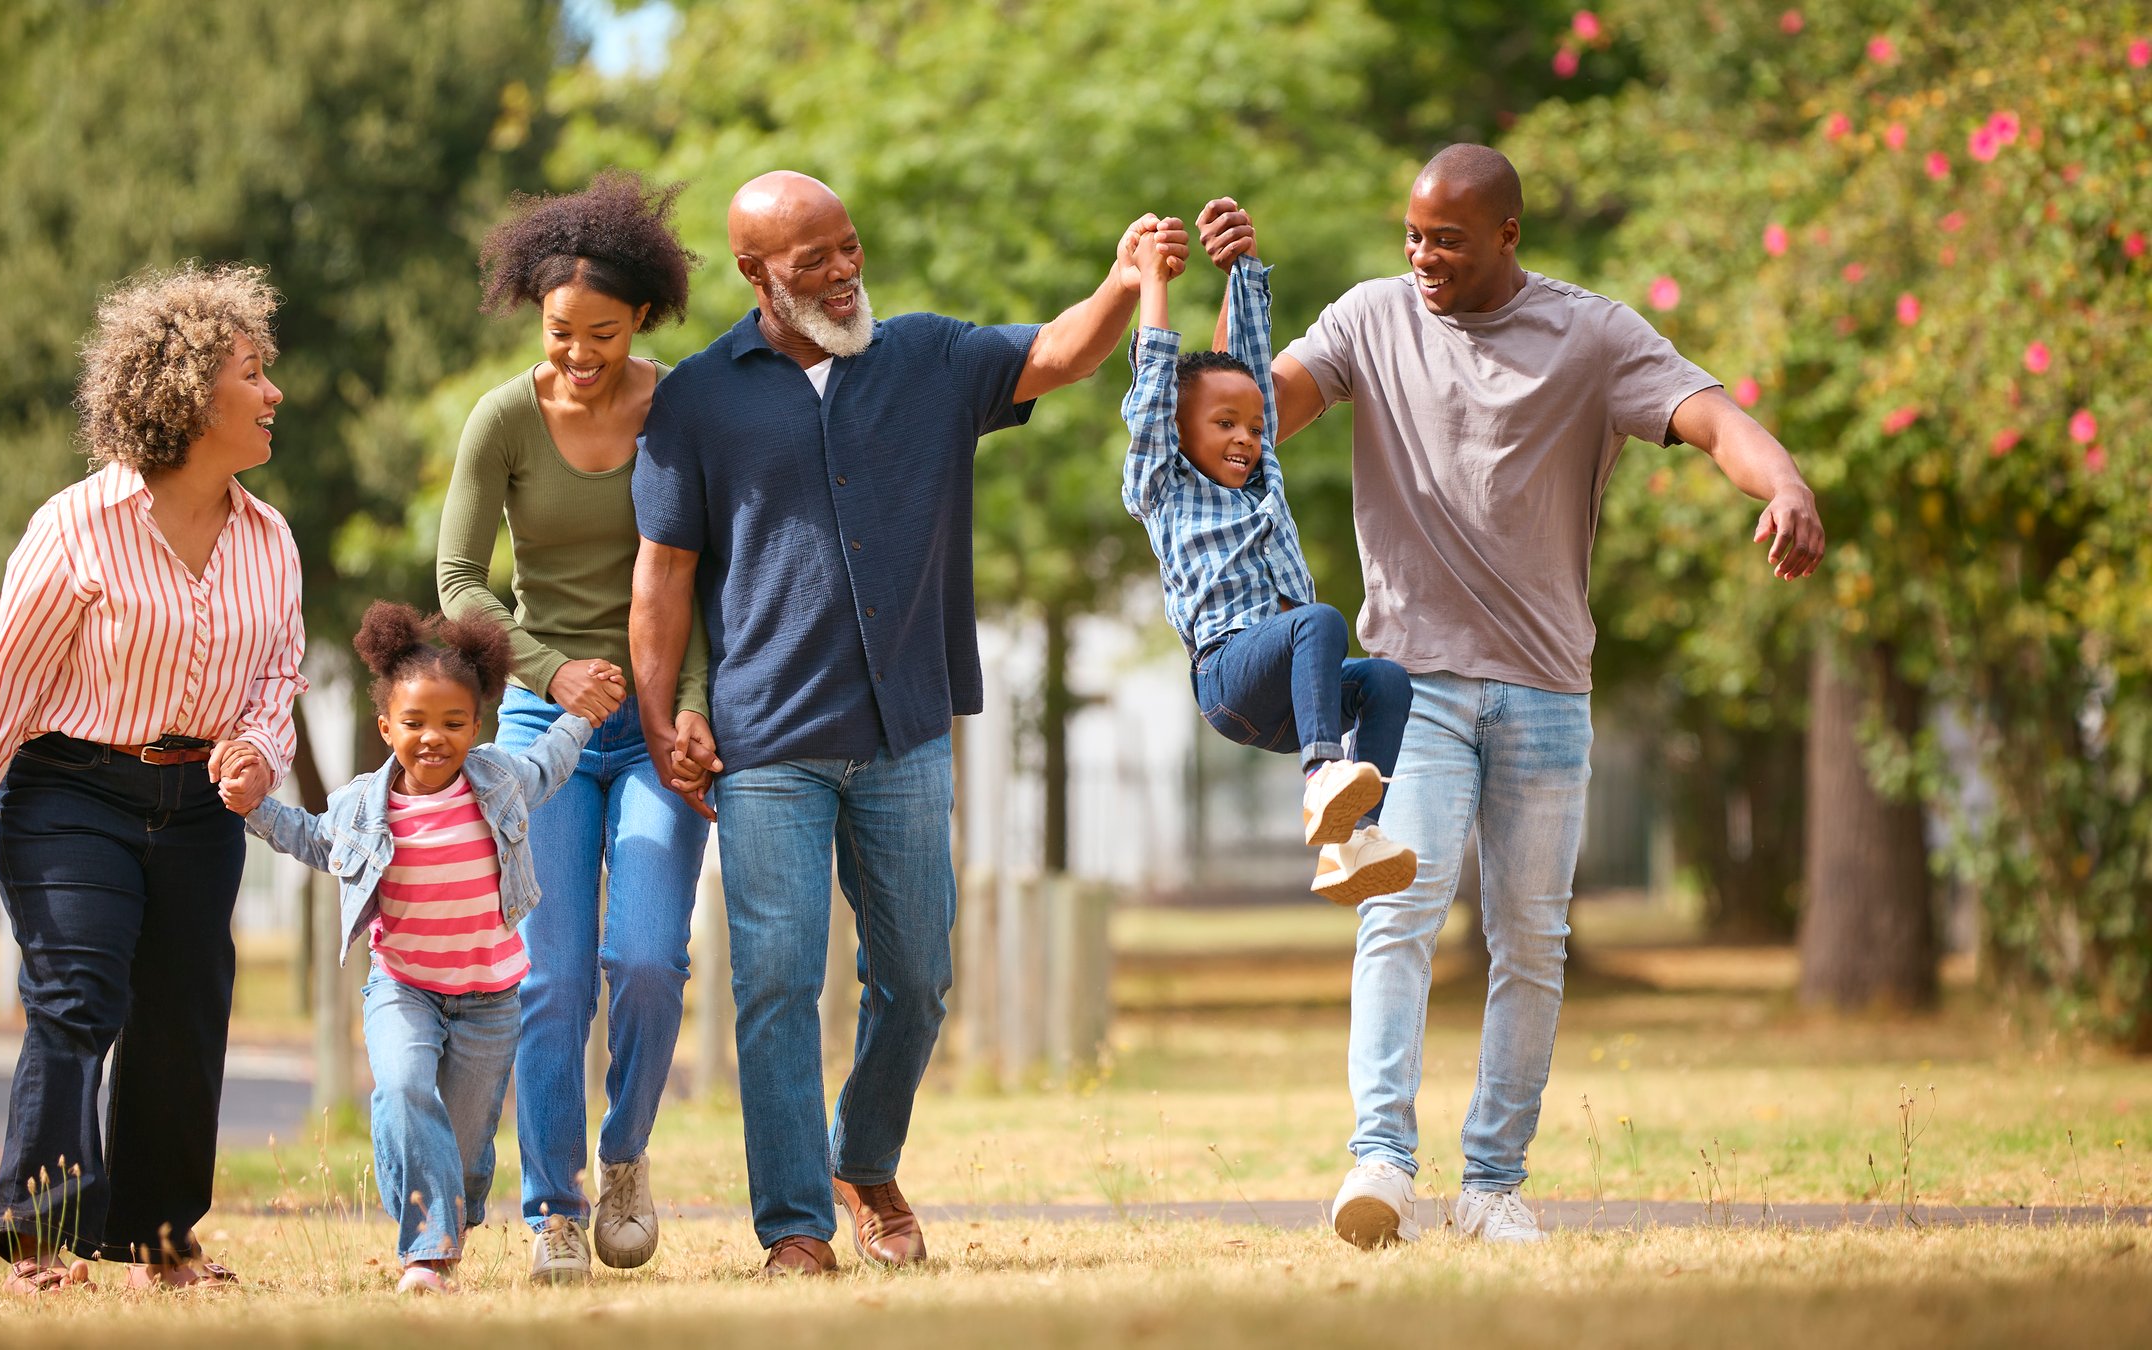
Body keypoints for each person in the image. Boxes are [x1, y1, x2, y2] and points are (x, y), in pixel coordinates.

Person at [1197, 147, 1826, 1249]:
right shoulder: (1370, 319)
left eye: (1446, 239)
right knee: (1397, 907)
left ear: (1507, 237)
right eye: (1412, 235)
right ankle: (1381, 1166)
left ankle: (1492, 1185)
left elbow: (1714, 418)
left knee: (1531, 942)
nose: (1422, 256)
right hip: (1416, 682)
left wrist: (1784, 484)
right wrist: (1223, 293)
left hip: (1545, 690)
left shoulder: (1591, 335)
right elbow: (1238, 420)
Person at [629, 171, 1187, 1275]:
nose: (844, 272)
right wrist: (660, 721)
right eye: (814, 261)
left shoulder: (927, 356)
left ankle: (863, 1154)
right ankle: (796, 1227)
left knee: (919, 976)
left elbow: (1061, 356)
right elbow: (663, 578)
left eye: (850, 248)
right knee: (778, 983)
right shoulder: (697, 399)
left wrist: (1124, 282)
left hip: (906, 733)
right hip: (767, 745)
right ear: (755, 276)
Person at [0, 263, 306, 1293]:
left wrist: (258, 750)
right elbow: (6, 681)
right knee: (77, 996)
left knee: (184, 1012)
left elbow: (278, 679)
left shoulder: (271, 541)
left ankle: (158, 1241)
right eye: (254, 373)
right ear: (186, 392)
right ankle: (42, 1241)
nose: (274, 393)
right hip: (73, 792)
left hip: (198, 812)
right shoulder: (75, 527)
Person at [437, 170, 715, 1284]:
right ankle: (551, 1203)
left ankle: (626, 1159)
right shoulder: (505, 417)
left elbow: (709, 576)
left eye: (602, 334)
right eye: (560, 334)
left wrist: (686, 703)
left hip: (656, 720)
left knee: (645, 956)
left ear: (642, 316)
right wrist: (552, 670)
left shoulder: (685, 408)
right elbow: (460, 577)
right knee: (549, 978)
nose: (578, 356)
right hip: (535, 718)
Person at [235, 602, 594, 1296]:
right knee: (402, 1092)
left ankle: (443, 1238)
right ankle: (425, 1256)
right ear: (386, 727)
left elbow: (551, 764)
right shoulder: (362, 806)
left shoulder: (498, 780)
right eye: (416, 723)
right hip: (403, 987)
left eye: (454, 723)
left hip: (490, 998)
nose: (435, 738)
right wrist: (256, 805)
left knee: (459, 1148)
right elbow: (312, 838)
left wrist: (585, 715)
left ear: (478, 726)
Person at [1119, 210, 1415, 906]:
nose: (1246, 440)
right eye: (1224, 427)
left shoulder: (1264, 477)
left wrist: (1242, 273)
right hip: (1231, 677)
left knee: (1388, 681)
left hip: (1292, 695)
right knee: (1318, 619)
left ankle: (1355, 839)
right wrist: (1152, 283)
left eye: (1255, 428)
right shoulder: (1162, 485)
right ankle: (1322, 776)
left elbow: (1250, 368)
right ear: (1178, 433)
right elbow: (1155, 383)